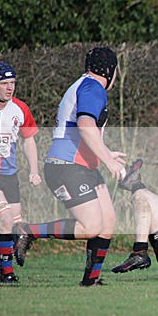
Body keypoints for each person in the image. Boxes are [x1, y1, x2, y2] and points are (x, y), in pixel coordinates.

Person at [13, 46, 127, 286]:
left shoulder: (84, 84)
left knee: (107, 220)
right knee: (91, 226)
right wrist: (107, 161)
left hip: (79, 166)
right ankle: (27, 230)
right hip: (66, 166)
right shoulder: (93, 87)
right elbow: (85, 126)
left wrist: (106, 153)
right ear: (109, 70)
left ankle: (91, 281)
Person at [0, 62, 42, 284]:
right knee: (4, 219)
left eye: (12, 83)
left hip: (9, 176)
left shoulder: (20, 109)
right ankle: (7, 274)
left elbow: (29, 140)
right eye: (4, 83)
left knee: (14, 227)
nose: (9, 88)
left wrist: (34, 170)